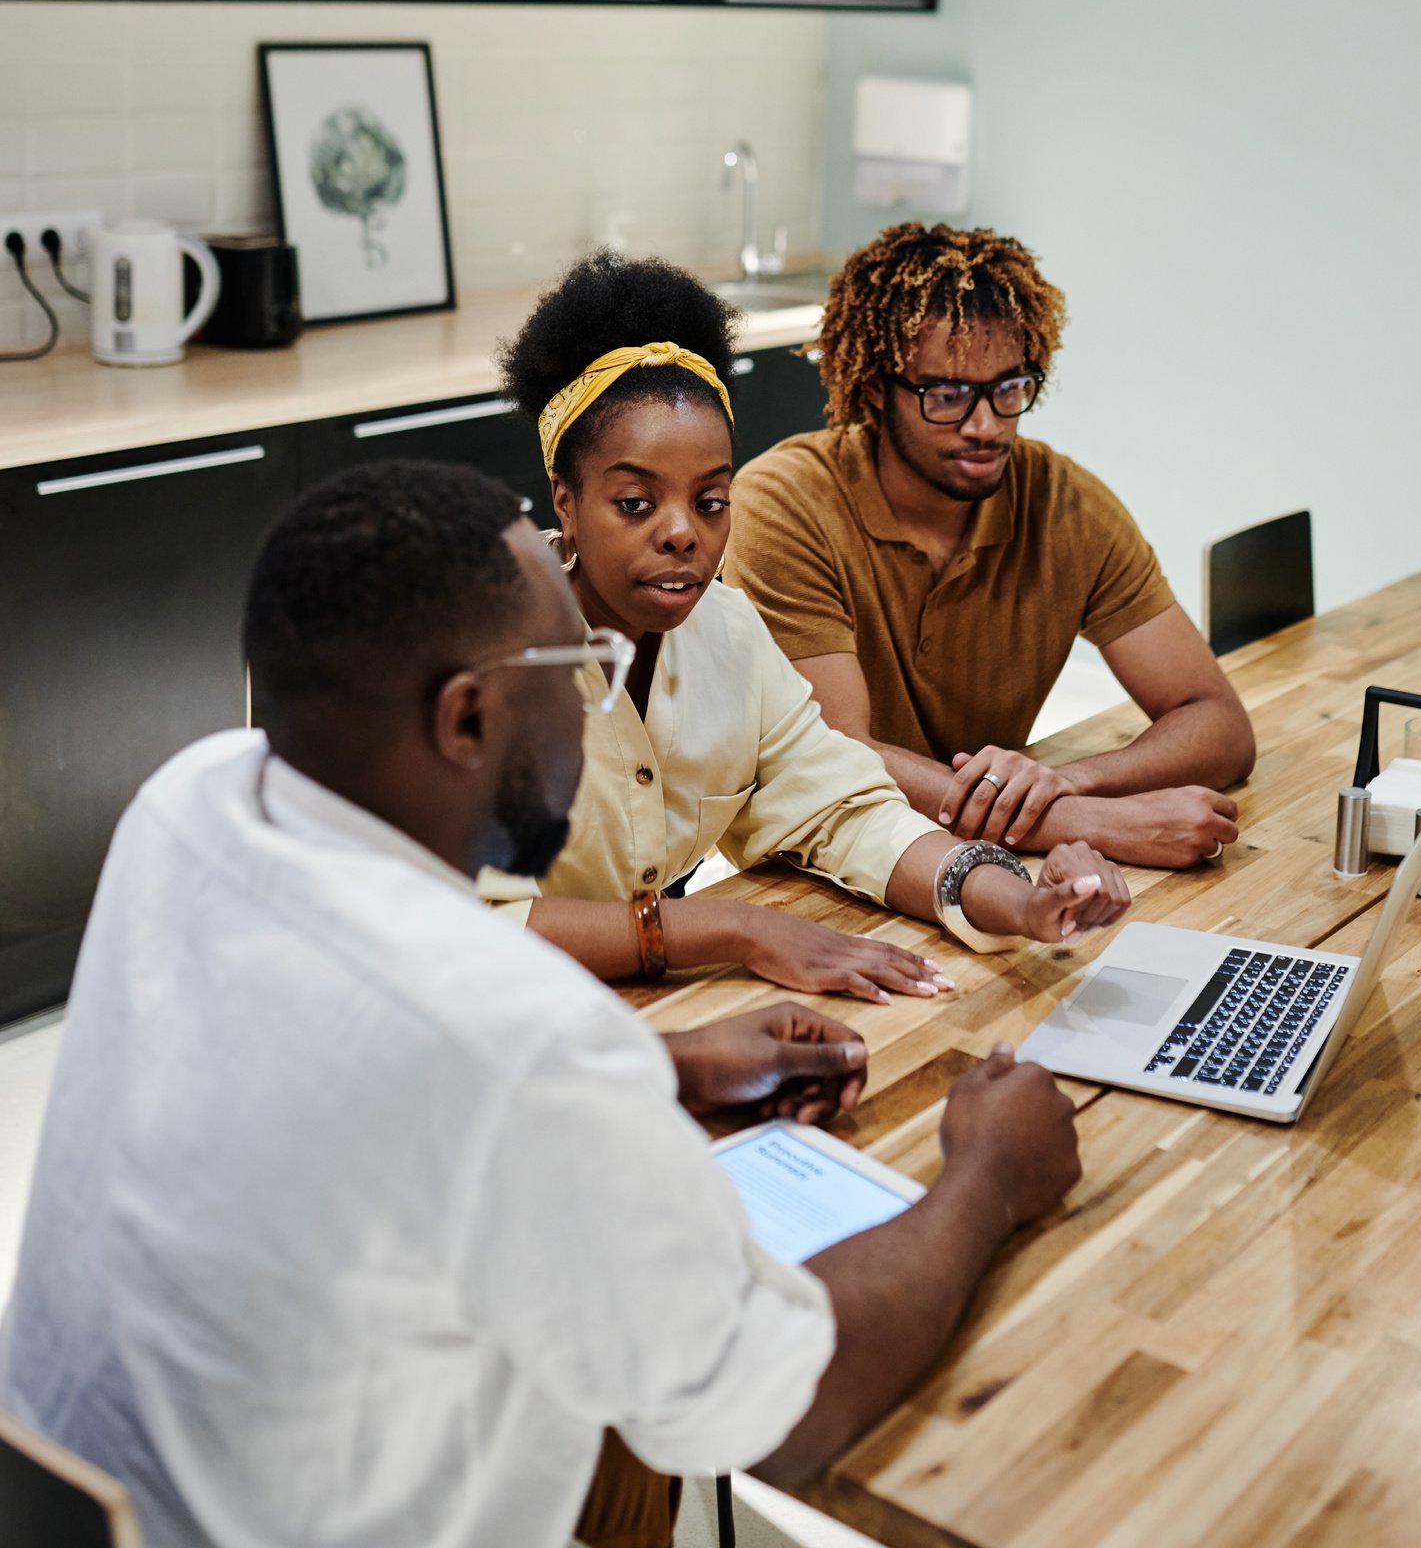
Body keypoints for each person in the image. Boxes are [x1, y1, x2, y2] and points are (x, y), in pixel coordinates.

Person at [0, 461, 1084, 1548]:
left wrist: (667, 1065)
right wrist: (988, 1174)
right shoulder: (516, 1035)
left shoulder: (190, 800)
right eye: (577, 667)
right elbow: (790, 1409)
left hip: (79, 1501)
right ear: (466, 718)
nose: (594, 706)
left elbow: (344, 1068)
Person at [489, 253, 1129, 993]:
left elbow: (845, 808)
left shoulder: (728, 634)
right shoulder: (479, 658)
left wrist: (1018, 899)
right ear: (563, 501)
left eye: (710, 500)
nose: (681, 533)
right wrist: (732, 926)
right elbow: (457, 927)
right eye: (635, 502)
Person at [725, 222, 1256, 869]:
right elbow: (838, 752)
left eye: (1007, 389)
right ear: (872, 387)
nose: (985, 425)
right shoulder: (785, 503)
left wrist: (1065, 782)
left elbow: (1218, 724)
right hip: (813, 866)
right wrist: (1078, 822)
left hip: (988, 861)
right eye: (946, 395)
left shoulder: (1064, 504)